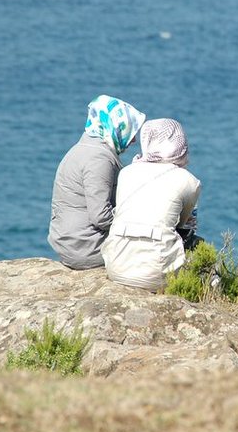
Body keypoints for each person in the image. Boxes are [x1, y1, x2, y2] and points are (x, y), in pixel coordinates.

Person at [102, 118, 202, 291]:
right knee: (198, 246)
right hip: (158, 274)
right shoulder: (189, 181)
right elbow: (183, 224)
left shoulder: (126, 172)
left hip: (116, 266)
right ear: (180, 144)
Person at [48, 95, 146, 269]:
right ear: (114, 127)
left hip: (70, 243)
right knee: (154, 244)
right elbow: (100, 216)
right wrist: (135, 222)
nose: (133, 140)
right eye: (129, 131)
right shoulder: (99, 159)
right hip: (86, 249)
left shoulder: (81, 149)